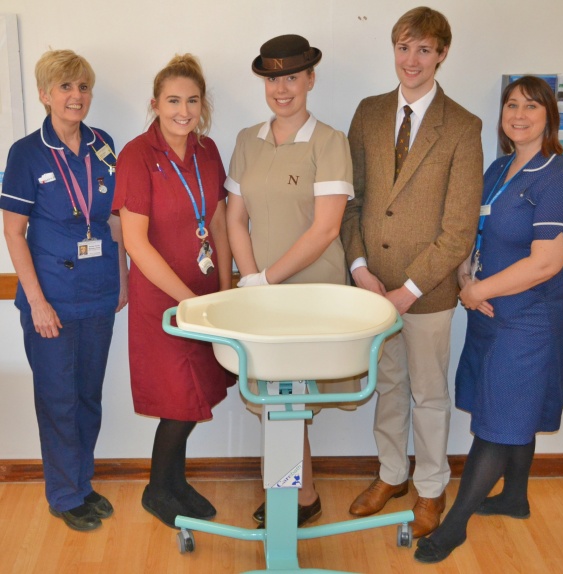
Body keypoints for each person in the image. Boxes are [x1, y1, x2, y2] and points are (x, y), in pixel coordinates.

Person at [414, 76, 563, 563]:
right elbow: (473, 232)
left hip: (529, 321)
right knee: (514, 409)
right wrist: (465, 274)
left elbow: (545, 263)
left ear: (549, 116)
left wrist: (475, 291)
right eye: (511, 104)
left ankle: (454, 527)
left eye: (531, 106)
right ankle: (514, 497)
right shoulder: (497, 170)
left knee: (497, 422)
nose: (519, 114)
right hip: (490, 314)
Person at [340, 7, 483, 537]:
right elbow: (352, 201)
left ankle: (430, 487)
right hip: (372, 287)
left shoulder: (463, 127)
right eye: (404, 47)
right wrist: (359, 267)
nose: (412, 60)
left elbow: (459, 228)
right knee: (389, 386)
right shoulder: (369, 112)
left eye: (424, 49)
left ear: (442, 54)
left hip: (428, 293)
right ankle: (392, 474)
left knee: (428, 393)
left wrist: (409, 289)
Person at [225, 34, 355, 527]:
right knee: (276, 398)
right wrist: (252, 281)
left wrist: (267, 280)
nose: (283, 89)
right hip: (263, 295)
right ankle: (298, 495)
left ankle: (293, 496)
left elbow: (326, 229)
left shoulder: (329, 142)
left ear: (311, 80)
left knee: (290, 399)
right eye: (274, 79)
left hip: (311, 295)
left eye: (293, 77)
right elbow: (236, 219)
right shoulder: (246, 140)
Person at [1, 49, 128, 531]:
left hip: (98, 294)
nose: (76, 96)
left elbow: (114, 219)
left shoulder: (104, 144)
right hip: (50, 297)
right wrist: (36, 302)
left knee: (88, 397)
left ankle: (83, 482)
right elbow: (13, 232)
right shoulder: (26, 153)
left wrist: (123, 275)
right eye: (65, 87)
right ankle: (64, 493)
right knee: (57, 399)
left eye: (83, 87)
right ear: (44, 94)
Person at [113, 54, 233, 528]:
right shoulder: (137, 155)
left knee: (196, 392)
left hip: (206, 301)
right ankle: (156, 490)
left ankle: (174, 482)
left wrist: (223, 292)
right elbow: (135, 242)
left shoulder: (207, 150)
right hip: (163, 303)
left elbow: (219, 224)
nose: (183, 110)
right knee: (177, 398)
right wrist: (190, 300)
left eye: (192, 100)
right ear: (155, 104)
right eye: (173, 100)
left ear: (203, 106)